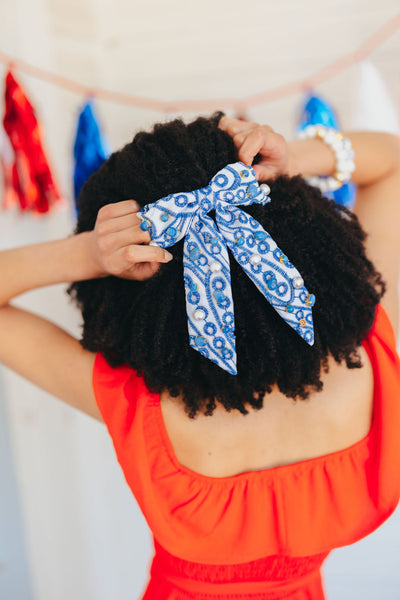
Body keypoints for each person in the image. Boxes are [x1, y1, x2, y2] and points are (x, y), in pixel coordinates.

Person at [0, 111, 400, 599]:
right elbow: (392, 161)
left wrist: (88, 255)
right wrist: (294, 158)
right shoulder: (373, 348)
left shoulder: (138, 405)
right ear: (300, 225)